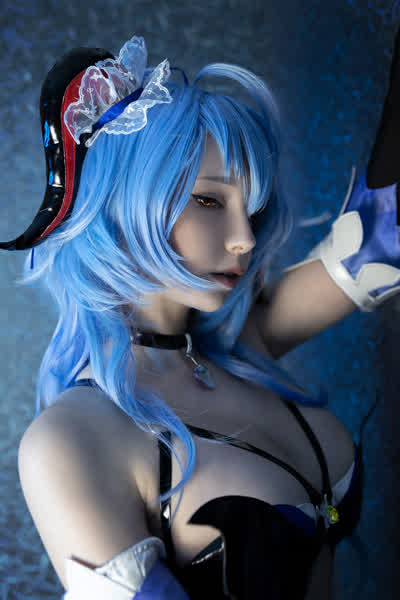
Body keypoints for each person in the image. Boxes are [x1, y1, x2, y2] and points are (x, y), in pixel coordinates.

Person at [7, 30, 397, 599]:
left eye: (251, 209)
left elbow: (379, 239)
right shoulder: (73, 436)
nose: (245, 239)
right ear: (124, 203)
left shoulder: (238, 348)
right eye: (209, 200)